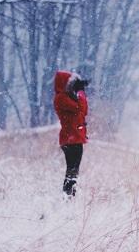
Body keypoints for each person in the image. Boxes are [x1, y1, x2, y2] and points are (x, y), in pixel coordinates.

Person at [53, 70, 88, 198]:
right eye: (70, 83)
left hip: (74, 139)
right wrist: (80, 92)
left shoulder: (67, 97)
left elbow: (83, 111)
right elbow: (79, 108)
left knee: (73, 171)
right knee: (72, 171)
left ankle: (69, 196)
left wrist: (79, 93)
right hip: (71, 139)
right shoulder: (61, 98)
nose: (71, 86)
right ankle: (68, 197)